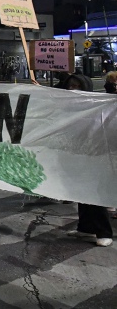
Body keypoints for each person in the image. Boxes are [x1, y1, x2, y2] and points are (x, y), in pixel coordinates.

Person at [62, 73, 113, 247]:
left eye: (76, 86)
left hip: (95, 155)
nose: (72, 89)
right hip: (76, 155)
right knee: (81, 193)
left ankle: (104, 231)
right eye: (70, 86)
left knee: (95, 196)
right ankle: (85, 227)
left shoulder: (97, 105)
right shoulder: (67, 106)